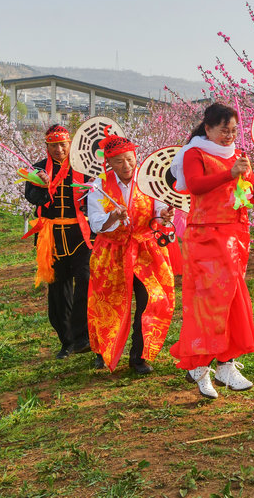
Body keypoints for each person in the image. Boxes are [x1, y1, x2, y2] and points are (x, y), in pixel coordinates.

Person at [169, 103, 254, 398]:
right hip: (205, 236)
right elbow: (195, 185)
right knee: (206, 301)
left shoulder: (238, 157)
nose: (229, 136)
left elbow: (248, 196)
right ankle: (200, 366)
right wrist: (230, 173)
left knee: (231, 299)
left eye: (233, 130)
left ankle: (226, 363)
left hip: (234, 235)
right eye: (223, 130)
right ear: (208, 128)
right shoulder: (194, 153)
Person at [87, 134, 175, 374]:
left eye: (129, 159)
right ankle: (102, 351)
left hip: (146, 250)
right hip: (112, 252)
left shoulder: (148, 180)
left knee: (150, 300)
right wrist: (112, 217)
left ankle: (139, 357)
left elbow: (157, 208)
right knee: (107, 303)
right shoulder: (98, 186)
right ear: (109, 163)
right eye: (119, 162)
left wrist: (164, 215)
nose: (126, 166)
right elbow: (96, 223)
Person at [23, 125, 93, 359]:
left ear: (70, 143)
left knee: (85, 281)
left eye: (63, 144)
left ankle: (83, 336)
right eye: (54, 145)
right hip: (51, 236)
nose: (59, 149)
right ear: (47, 146)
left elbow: (95, 195)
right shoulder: (39, 168)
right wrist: (42, 186)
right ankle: (67, 341)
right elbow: (31, 197)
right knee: (59, 290)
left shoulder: (82, 167)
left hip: (80, 234)